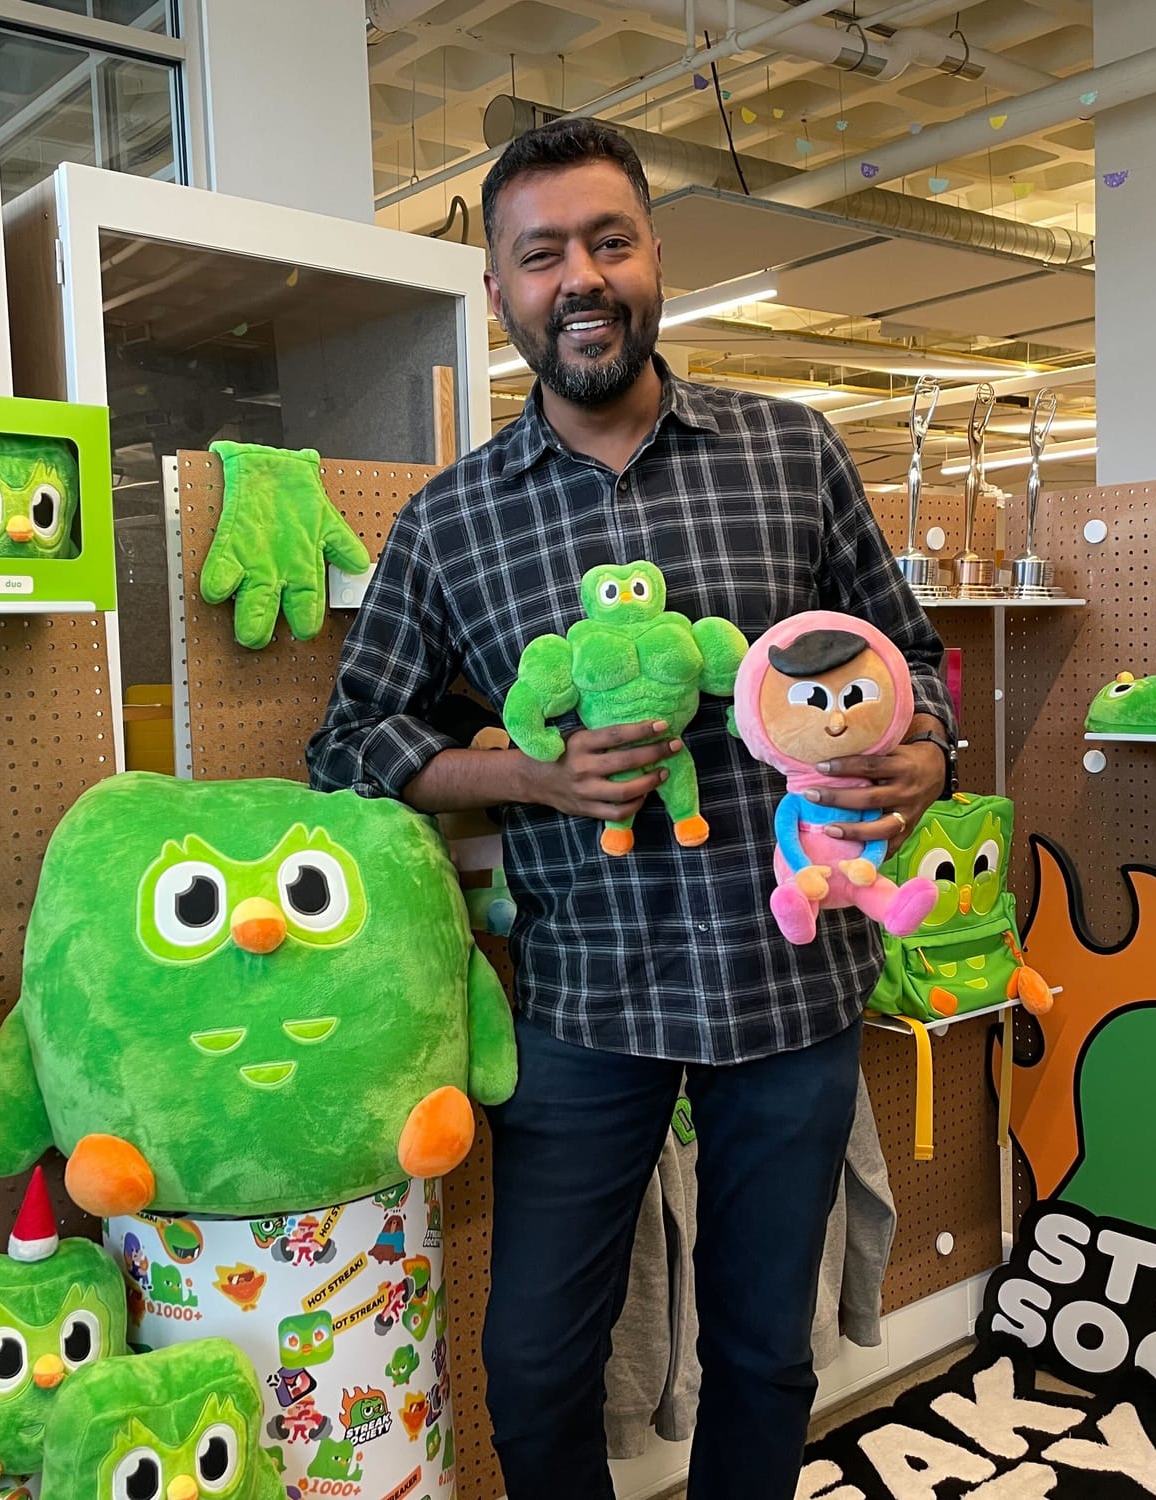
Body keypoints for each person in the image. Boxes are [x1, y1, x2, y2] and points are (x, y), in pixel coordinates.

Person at [306, 117, 955, 1500]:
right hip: (584, 1000)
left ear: (655, 255)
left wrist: (934, 753)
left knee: (765, 1353)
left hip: (788, 982)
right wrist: (527, 775)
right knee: (538, 1361)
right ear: (500, 293)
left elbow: (909, 652)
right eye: (541, 255)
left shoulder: (793, 454)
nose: (579, 279)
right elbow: (352, 742)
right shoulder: (451, 521)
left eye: (609, 241)